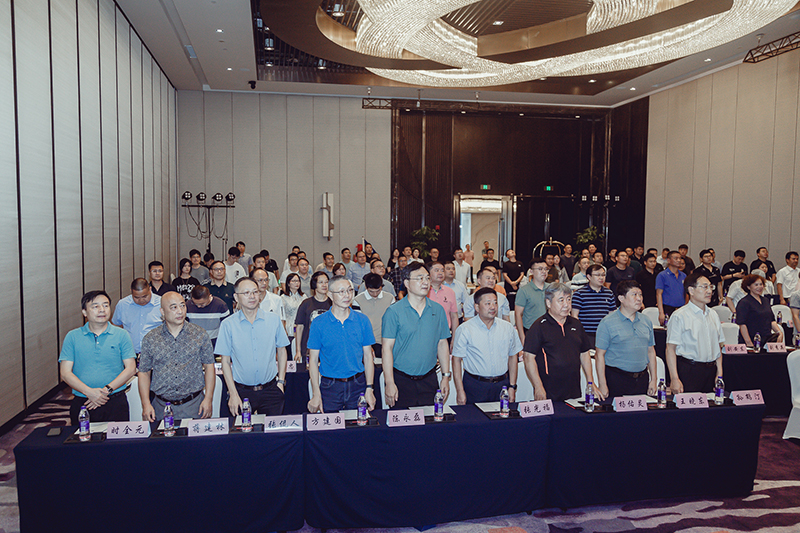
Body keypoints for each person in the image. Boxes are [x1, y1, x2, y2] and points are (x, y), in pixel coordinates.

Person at [59, 290, 137, 425]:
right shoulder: (72, 336)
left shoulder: (122, 335)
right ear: (84, 312)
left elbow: (131, 368)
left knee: (117, 438)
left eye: (106, 305)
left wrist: (106, 390)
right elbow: (65, 373)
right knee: (82, 438)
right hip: (83, 401)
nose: (102, 310)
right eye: (95, 306)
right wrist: (89, 392)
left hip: (115, 400)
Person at [381, 263, 452, 408]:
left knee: (430, 420)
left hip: (429, 379)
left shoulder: (438, 310)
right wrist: (389, 382)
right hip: (401, 380)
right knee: (403, 421)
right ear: (407, 283)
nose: (425, 282)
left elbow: (442, 344)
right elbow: (387, 349)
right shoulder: (394, 312)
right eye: (420, 278)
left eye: (427, 278)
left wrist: (445, 376)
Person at [216, 278, 290, 416]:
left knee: (273, 428)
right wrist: (232, 393)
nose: (252, 296)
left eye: (255, 292)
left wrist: (281, 382)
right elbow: (225, 362)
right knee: (242, 429)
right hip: (241, 391)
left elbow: (281, 351)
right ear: (236, 297)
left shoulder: (273, 320)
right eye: (246, 293)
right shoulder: (228, 324)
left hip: (271, 389)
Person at [138, 292, 215, 422]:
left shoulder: (199, 334)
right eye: (173, 307)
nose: (180, 311)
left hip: (194, 405)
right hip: (161, 407)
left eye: (182, 305)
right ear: (162, 311)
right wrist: (146, 404)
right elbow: (144, 372)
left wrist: (208, 399)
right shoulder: (151, 338)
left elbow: (209, 367)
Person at [307, 275, 376, 413]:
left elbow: (368, 356)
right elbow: (313, 360)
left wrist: (369, 388)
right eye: (341, 292)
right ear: (330, 295)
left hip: (358, 384)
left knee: (357, 425)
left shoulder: (362, 320)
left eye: (350, 290)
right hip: (330, 385)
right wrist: (316, 393)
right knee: (330, 425)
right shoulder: (319, 323)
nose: (347, 295)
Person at [522, 283, 595, 402]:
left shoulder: (576, 324)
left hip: (573, 389)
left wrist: (590, 382)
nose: (566, 304)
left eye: (569, 299)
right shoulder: (538, 327)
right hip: (548, 390)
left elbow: (585, 353)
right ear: (548, 303)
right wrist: (538, 386)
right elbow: (528, 358)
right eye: (561, 300)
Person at [452, 288, 522, 405]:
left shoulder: (507, 328)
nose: (493, 307)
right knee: (474, 416)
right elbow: (456, 360)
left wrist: (512, 386)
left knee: (502, 416)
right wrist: (460, 390)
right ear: (477, 307)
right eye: (488, 303)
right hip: (475, 385)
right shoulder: (465, 329)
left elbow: (513, 357)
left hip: (502, 385)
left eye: (495, 302)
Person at [594, 281, 657, 399]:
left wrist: (654, 379)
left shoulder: (646, 321)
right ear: (621, 298)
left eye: (640, 295)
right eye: (634, 295)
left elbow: (651, 351)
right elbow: (599, 355)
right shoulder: (607, 322)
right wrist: (602, 384)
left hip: (642, 378)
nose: (639, 299)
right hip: (617, 378)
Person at [665, 272, 724, 394]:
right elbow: (670, 349)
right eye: (704, 287)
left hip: (711, 371)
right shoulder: (679, 316)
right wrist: (674, 378)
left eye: (710, 287)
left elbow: (718, 346)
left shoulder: (713, 314)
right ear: (691, 290)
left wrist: (719, 374)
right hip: (689, 371)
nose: (709, 291)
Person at [111, 278, 163, 354]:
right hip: (130, 353)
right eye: (136, 297)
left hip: (156, 353)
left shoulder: (162, 303)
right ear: (131, 292)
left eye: (145, 296)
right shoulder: (123, 304)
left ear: (150, 289)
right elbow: (116, 326)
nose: (141, 300)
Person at [571, 264, 617, 346]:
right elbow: (574, 316)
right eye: (597, 275)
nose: (601, 278)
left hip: (604, 334)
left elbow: (612, 315)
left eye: (603, 275)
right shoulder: (579, 294)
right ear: (589, 276)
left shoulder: (609, 293)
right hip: (586, 334)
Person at [353, 273, 394, 360]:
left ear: (381, 286)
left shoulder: (390, 298)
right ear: (366, 287)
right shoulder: (357, 300)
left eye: (378, 291)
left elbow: (393, 323)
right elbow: (358, 325)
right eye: (371, 291)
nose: (375, 294)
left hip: (387, 340)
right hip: (368, 342)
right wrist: (366, 345)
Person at [294, 271, 332, 362]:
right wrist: (298, 350)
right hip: (309, 347)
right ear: (314, 285)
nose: (324, 285)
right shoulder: (306, 304)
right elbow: (299, 328)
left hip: (329, 348)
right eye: (321, 282)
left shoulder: (333, 303)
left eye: (326, 282)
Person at [736, 274, 783, 347]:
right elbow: (742, 324)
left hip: (767, 339)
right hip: (751, 340)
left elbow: (771, 320)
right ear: (748, 287)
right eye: (756, 285)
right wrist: (749, 343)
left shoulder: (765, 300)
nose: (759, 287)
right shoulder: (744, 302)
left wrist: (779, 332)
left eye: (761, 284)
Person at [515, 257, 549, 344]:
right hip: (531, 331)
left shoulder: (551, 288)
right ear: (531, 271)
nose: (544, 272)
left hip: (549, 331)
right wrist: (522, 337)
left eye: (546, 269)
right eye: (540, 269)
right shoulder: (524, 291)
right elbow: (518, 314)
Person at [427, 261, 459, 337]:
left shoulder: (450, 292)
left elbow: (454, 316)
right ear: (428, 274)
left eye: (442, 270)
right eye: (437, 270)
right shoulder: (423, 291)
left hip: (445, 333)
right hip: (426, 333)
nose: (440, 273)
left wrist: (454, 337)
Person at [656, 250, 687, 326]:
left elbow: (686, 293)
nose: (679, 260)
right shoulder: (662, 275)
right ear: (669, 260)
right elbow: (658, 294)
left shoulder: (683, 275)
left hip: (681, 309)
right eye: (676, 258)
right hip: (668, 309)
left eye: (680, 258)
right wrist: (661, 313)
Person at [281, 273, 307, 358]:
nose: (297, 283)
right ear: (288, 283)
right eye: (294, 281)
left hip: (302, 328)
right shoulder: (283, 297)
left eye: (298, 281)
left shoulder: (304, 296)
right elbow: (282, 316)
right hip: (289, 328)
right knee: (290, 355)